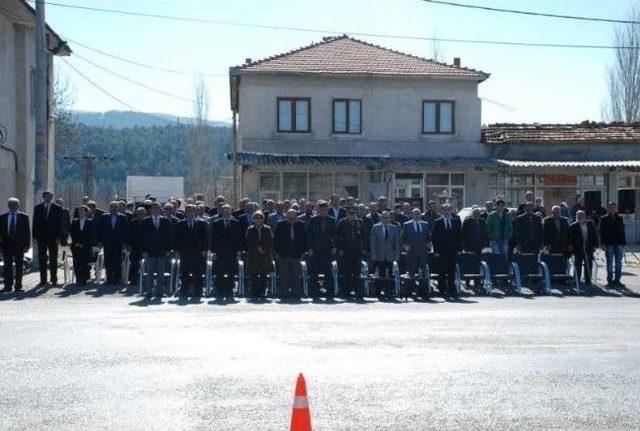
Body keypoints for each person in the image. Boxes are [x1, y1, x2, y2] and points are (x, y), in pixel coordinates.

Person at [173, 204, 208, 299]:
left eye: (192, 211)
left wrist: (205, 250)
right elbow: (176, 239)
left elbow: (205, 238)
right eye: (188, 211)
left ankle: (199, 291)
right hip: (184, 252)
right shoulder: (180, 223)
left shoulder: (201, 223)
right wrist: (176, 251)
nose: (190, 212)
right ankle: (184, 290)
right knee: (184, 273)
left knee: (198, 272)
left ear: (195, 212)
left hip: (197, 252)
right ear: (185, 212)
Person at [210, 204, 243, 301]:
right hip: (220, 252)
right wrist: (214, 252)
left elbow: (239, 238)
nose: (227, 212)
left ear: (231, 211)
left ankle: (229, 290)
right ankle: (220, 290)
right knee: (220, 271)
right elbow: (213, 239)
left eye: (229, 210)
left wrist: (239, 252)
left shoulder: (236, 223)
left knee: (231, 271)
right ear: (222, 211)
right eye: (225, 210)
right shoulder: (216, 223)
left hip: (232, 252)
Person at [306, 201, 337, 299]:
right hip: (315, 250)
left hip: (327, 250)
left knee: (328, 272)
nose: (323, 211)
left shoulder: (332, 220)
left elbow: (335, 236)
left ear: (327, 210)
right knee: (314, 272)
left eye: (325, 209)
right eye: (321, 209)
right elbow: (309, 235)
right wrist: (309, 248)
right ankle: (314, 292)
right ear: (318, 210)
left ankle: (329, 292)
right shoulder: (313, 220)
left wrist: (334, 247)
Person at [141, 202, 172, 298]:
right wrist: (144, 251)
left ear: (160, 209)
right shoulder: (145, 221)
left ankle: (159, 292)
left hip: (162, 251)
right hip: (150, 251)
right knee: (149, 272)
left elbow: (168, 236)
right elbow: (143, 238)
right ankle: (149, 291)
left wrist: (168, 249)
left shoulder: (165, 221)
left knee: (160, 272)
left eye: (157, 208)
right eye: (153, 208)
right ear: (150, 210)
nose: (155, 210)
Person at [431, 203, 462, 298]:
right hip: (441, 252)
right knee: (442, 272)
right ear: (442, 211)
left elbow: (460, 236)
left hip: (453, 251)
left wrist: (460, 249)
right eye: (445, 210)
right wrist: (435, 251)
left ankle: (452, 290)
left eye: (449, 209)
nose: (447, 211)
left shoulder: (456, 221)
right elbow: (434, 237)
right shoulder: (437, 222)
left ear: (451, 210)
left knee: (452, 272)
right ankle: (442, 290)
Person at [274, 209, 307, 300]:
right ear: (286, 217)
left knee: (296, 274)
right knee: (284, 274)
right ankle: (285, 292)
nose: (291, 219)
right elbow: (276, 240)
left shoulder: (301, 225)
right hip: (283, 254)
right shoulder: (280, 225)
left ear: (296, 217)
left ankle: (295, 291)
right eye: (289, 218)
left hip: (296, 254)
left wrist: (303, 252)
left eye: (293, 218)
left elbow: (304, 239)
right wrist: (277, 252)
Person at [32, 190, 63, 286]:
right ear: (43, 197)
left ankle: (54, 279)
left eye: (49, 197)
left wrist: (59, 237)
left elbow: (60, 224)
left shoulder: (57, 208)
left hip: (53, 238)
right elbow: (35, 223)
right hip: (41, 238)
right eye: (46, 197)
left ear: (52, 198)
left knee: (53, 259)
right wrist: (34, 236)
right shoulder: (38, 208)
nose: (47, 198)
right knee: (42, 259)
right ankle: (43, 280)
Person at [336, 207, 367, 300]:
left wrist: (364, 248)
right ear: (347, 214)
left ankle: (358, 292)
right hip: (345, 250)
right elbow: (337, 237)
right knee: (346, 272)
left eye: (353, 214)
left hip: (357, 250)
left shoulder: (360, 222)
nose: (351, 215)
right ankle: (345, 291)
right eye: (350, 214)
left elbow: (364, 236)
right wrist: (339, 249)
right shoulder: (342, 222)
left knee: (357, 272)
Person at [0, 198, 31, 292]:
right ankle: (8, 286)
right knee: (7, 266)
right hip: (6, 245)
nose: (13, 207)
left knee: (19, 266)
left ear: (18, 206)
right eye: (11, 205)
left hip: (19, 245)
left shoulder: (24, 217)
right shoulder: (3, 217)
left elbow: (27, 232)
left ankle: (18, 286)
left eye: (15, 205)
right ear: (8, 206)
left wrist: (27, 245)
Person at [369, 211, 400, 300]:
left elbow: (397, 242)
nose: (386, 219)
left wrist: (397, 254)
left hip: (390, 255)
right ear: (381, 218)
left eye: (387, 218)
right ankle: (378, 292)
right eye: (384, 217)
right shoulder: (376, 227)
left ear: (389, 218)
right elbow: (372, 242)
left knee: (390, 274)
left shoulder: (394, 227)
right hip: (379, 255)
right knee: (379, 274)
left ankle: (388, 292)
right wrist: (373, 254)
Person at [401, 208, 431, 299]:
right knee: (411, 272)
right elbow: (402, 238)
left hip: (422, 252)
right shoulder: (407, 225)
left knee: (423, 272)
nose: (417, 215)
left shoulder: (425, 224)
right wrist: (406, 247)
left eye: (418, 214)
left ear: (421, 215)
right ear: (412, 215)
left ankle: (423, 292)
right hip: (411, 252)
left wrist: (429, 245)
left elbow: (428, 237)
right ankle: (410, 291)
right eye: (415, 214)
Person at [98, 201, 129, 285]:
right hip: (107, 243)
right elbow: (100, 230)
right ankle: (109, 279)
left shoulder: (123, 217)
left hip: (118, 243)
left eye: (115, 207)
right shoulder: (104, 217)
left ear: (118, 208)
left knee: (117, 261)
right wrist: (100, 241)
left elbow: (125, 231)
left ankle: (117, 279)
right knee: (108, 262)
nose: (113, 209)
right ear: (109, 208)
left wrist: (125, 242)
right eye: (112, 207)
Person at [245, 211, 274, 300]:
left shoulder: (267, 229)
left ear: (263, 219)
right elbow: (248, 241)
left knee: (264, 275)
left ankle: (262, 292)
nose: (258, 219)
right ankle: (254, 292)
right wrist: (257, 247)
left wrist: (264, 249)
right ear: (253, 219)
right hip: (254, 255)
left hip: (264, 255)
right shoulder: (250, 229)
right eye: (256, 218)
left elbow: (270, 241)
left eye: (260, 218)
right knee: (254, 275)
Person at [599, 202, 626, 288]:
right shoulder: (603, 219)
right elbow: (601, 232)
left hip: (619, 243)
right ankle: (610, 281)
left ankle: (617, 280)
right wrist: (602, 244)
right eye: (610, 208)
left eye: (614, 208)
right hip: (608, 243)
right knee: (609, 263)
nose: (612, 209)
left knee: (619, 263)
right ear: (608, 209)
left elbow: (622, 231)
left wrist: (624, 244)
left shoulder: (620, 218)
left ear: (616, 208)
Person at [568, 210, 598, 286]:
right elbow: (570, 238)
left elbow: (594, 235)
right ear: (576, 216)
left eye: (581, 215)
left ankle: (588, 280)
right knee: (578, 264)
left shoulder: (590, 224)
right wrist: (570, 246)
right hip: (578, 248)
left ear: (584, 216)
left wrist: (595, 245)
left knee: (588, 264)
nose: (580, 217)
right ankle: (577, 279)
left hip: (588, 247)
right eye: (578, 215)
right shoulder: (573, 226)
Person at [69, 205, 94, 285]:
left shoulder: (90, 222)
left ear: (87, 212)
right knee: (76, 263)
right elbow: (72, 233)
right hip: (76, 246)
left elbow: (91, 235)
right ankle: (78, 279)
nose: (80, 212)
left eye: (83, 211)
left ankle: (85, 279)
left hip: (86, 246)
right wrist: (76, 242)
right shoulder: (74, 221)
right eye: (79, 211)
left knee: (85, 263)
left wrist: (84, 244)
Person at [127, 207, 148, 287]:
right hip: (135, 246)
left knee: (147, 264)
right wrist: (129, 244)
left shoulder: (148, 221)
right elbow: (129, 234)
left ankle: (147, 280)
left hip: (146, 247)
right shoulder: (133, 222)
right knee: (134, 264)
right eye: (139, 213)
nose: (140, 215)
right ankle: (133, 279)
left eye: (142, 213)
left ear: (145, 214)